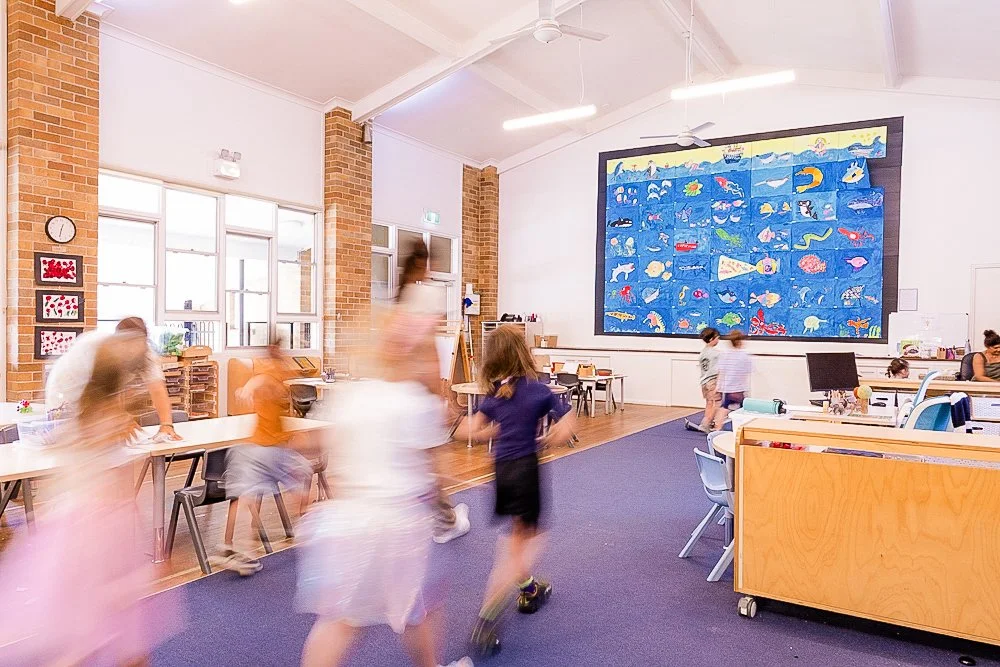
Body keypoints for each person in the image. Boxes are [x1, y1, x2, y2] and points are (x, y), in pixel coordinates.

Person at [296, 318, 472, 667]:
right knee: (420, 604)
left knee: (340, 619)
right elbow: (437, 471)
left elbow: (324, 448)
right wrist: (445, 511)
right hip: (399, 524)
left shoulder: (353, 397)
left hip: (348, 522)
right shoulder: (415, 402)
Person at [0, 334, 183, 664]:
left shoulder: (90, 414)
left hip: (83, 524)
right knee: (104, 636)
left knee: (99, 635)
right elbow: (117, 490)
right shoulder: (109, 420)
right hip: (103, 531)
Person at [455, 325, 576, 657]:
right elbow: (568, 426)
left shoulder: (496, 395)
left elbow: (468, 431)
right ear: (523, 353)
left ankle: (529, 588)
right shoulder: (538, 391)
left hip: (502, 472)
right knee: (523, 545)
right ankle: (487, 619)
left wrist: (498, 427)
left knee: (516, 536)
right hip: (525, 471)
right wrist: (551, 438)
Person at [210, 340, 314, 575]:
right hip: (268, 450)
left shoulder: (272, 372)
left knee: (244, 496)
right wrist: (250, 386)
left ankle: (232, 547)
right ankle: (303, 531)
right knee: (300, 482)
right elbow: (263, 381)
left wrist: (248, 388)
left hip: (259, 448)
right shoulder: (273, 373)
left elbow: (262, 383)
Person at [394, 238, 471, 544]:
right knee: (430, 465)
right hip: (417, 393)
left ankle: (432, 519)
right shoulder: (425, 296)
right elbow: (428, 351)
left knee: (411, 462)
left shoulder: (400, 299)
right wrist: (441, 393)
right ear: (424, 265)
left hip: (399, 391)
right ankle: (447, 520)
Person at [45, 316, 182, 441]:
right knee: (80, 444)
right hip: (66, 396)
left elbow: (157, 388)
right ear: (118, 341)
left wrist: (166, 425)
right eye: (129, 345)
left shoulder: (146, 354)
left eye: (139, 345)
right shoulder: (95, 349)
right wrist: (118, 416)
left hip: (96, 397)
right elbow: (96, 391)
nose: (133, 352)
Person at [711, 329, 752, 431]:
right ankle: (742, 430)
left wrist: (718, 386)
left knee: (724, 408)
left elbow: (720, 371)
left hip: (728, 388)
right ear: (740, 341)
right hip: (739, 388)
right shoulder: (744, 356)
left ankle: (717, 428)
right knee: (743, 410)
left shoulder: (725, 355)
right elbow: (748, 371)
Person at [685, 327, 721, 433]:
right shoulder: (716, 353)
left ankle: (706, 422)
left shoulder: (703, 353)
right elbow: (719, 369)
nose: (718, 340)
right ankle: (707, 422)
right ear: (711, 339)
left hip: (704, 381)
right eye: (717, 338)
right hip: (713, 381)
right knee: (717, 403)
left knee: (709, 403)